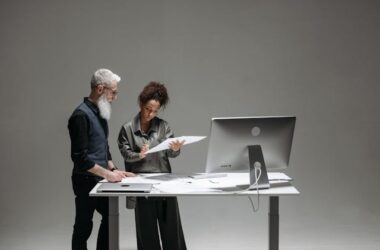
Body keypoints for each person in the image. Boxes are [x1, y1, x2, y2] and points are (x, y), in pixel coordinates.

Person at [68, 68, 135, 250]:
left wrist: (113, 170)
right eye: (113, 92)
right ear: (100, 89)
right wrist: (107, 174)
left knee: (110, 218)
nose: (115, 96)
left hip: (100, 178)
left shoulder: (101, 113)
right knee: (83, 227)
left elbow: (104, 147)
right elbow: (79, 158)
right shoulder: (80, 115)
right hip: (85, 179)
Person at [118, 81, 187, 250]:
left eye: (155, 111)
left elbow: (171, 154)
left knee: (172, 233)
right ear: (141, 103)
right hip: (141, 186)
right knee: (147, 236)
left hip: (164, 183)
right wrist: (139, 154)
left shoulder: (163, 126)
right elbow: (125, 153)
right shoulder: (127, 129)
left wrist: (175, 149)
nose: (151, 114)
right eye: (148, 109)